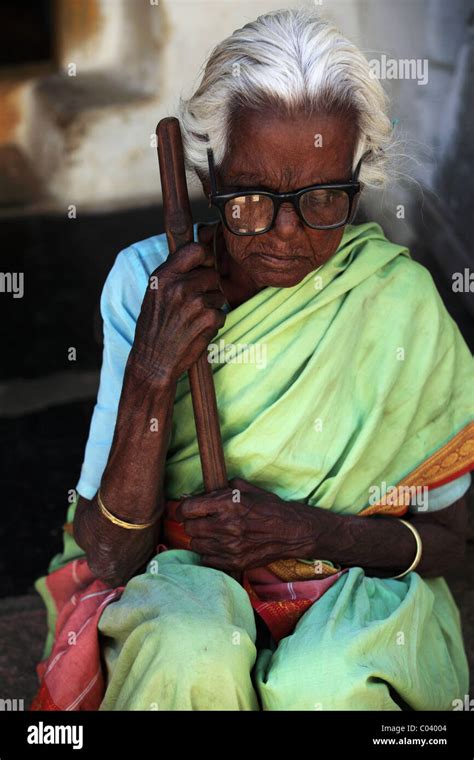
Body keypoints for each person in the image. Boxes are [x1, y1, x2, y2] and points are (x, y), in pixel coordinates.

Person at [31, 8, 473, 711]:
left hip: (355, 585)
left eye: (324, 198)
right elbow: (111, 556)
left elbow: (458, 540)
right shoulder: (145, 284)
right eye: (252, 200)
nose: (287, 233)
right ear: (210, 178)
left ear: (359, 183)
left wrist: (310, 532)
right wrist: (153, 371)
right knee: (191, 648)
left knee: (323, 684)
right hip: (177, 574)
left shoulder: (398, 302)